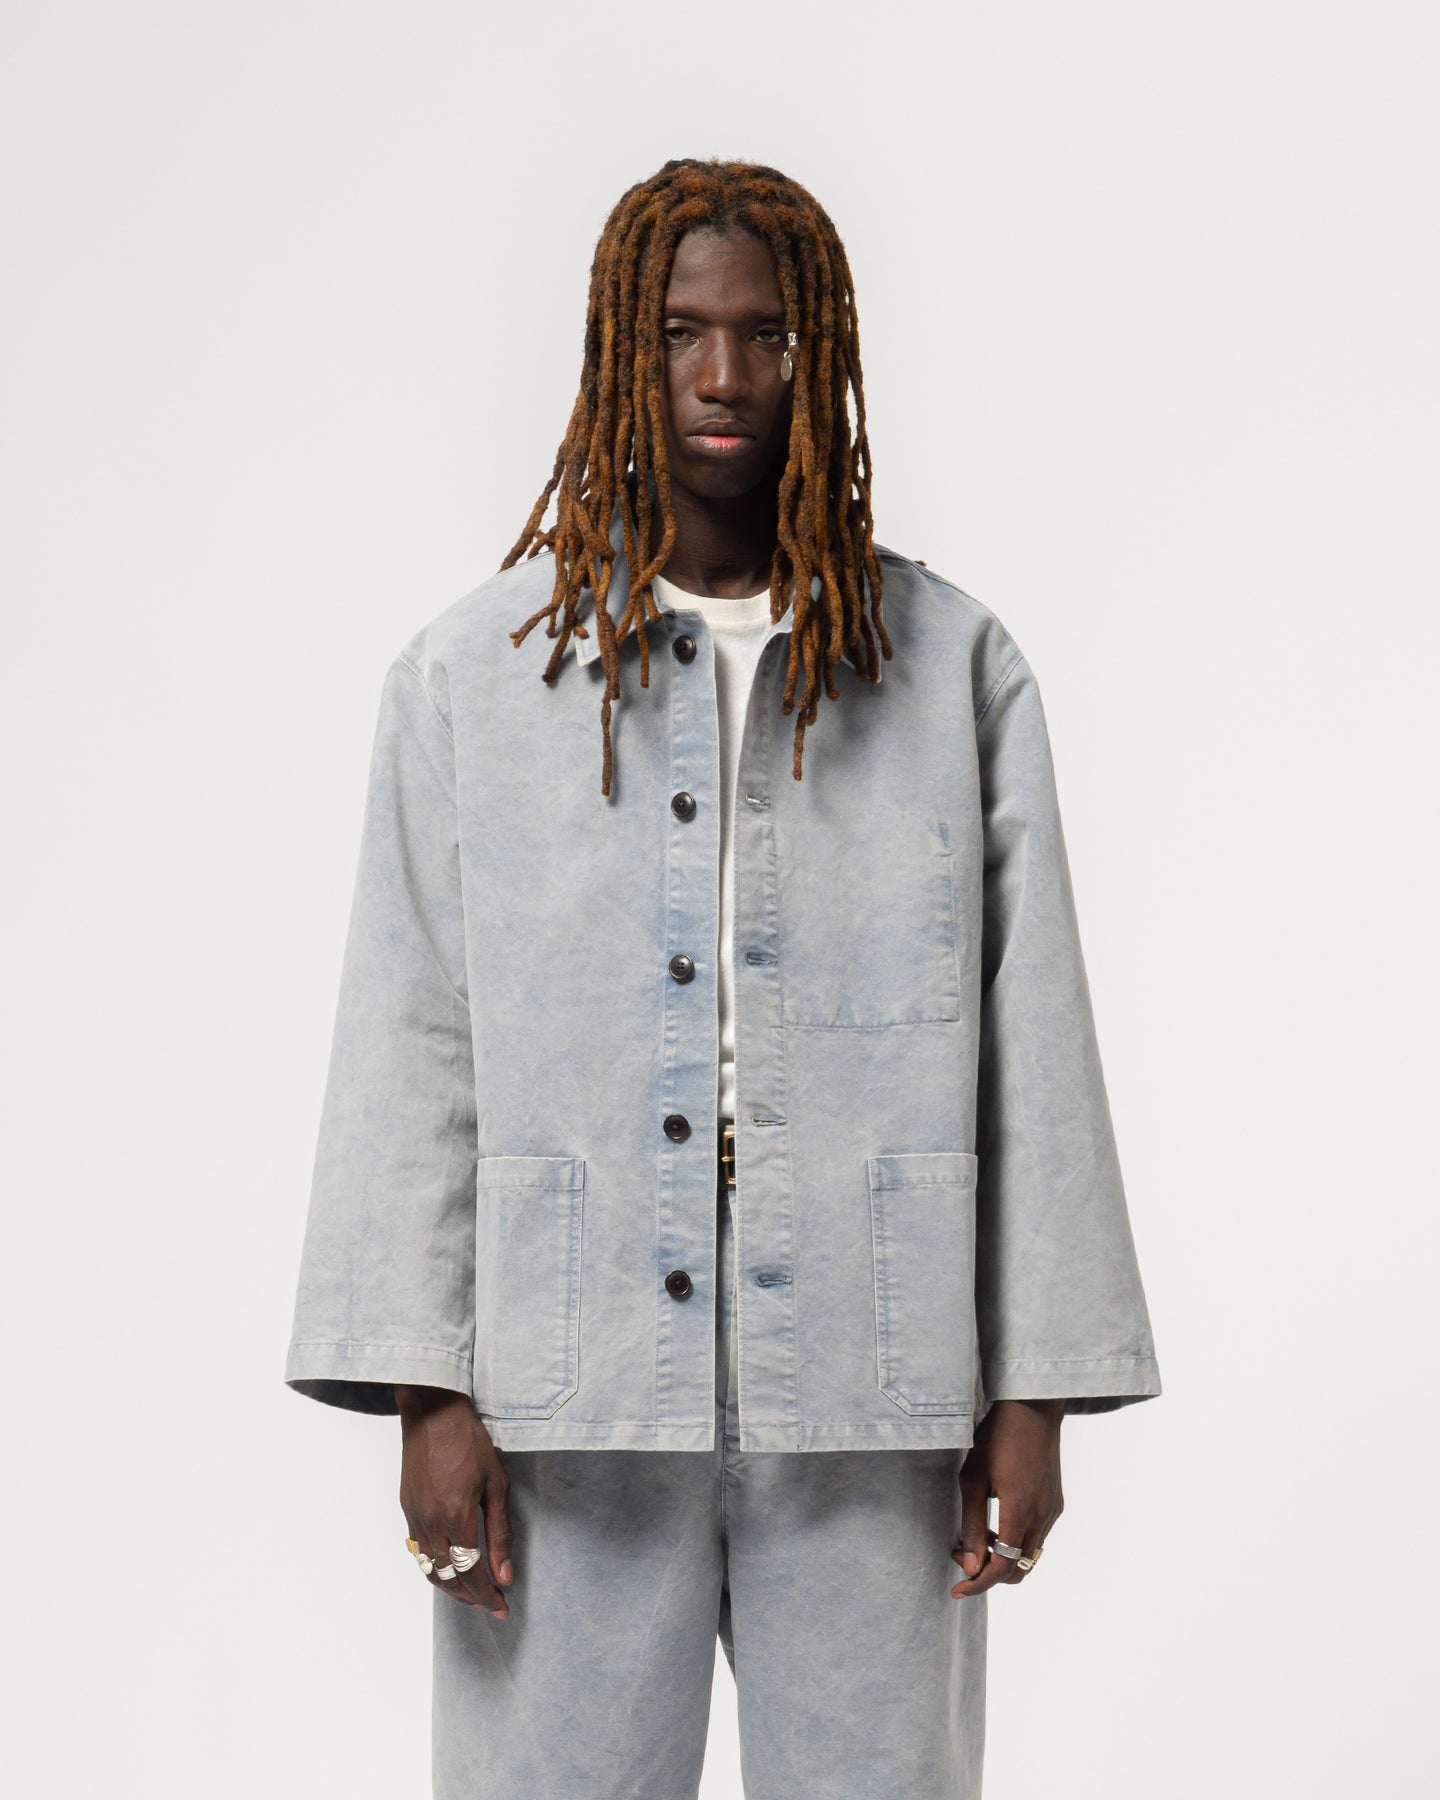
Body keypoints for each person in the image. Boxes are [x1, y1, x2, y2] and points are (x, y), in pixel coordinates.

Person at [284, 156, 1161, 1798]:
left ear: (818, 359)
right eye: (681, 332)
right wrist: (425, 1392)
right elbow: (413, 1034)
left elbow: (1033, 1036)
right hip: (567, 1389)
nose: (722, 375)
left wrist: (1035, 1389)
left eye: (765, 335)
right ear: (623, 353)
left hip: (875, 1379)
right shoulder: (475, 680)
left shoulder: (952, 669)